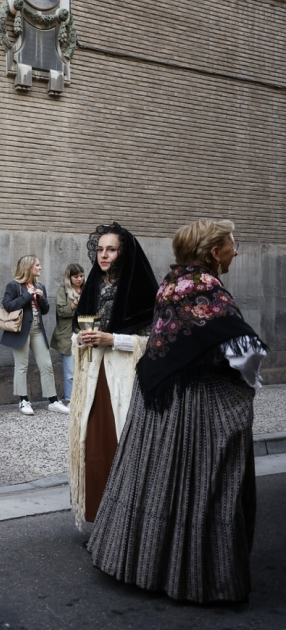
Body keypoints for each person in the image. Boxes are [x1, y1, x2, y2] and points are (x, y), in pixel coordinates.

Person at [89, 219, 264, 603]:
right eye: (233, 243)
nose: (238, 249)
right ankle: (195, 574)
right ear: (215, 252)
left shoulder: (171, 283)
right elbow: (244, 351)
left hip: (157, 396)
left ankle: (140, 561)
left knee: (153, 478)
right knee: (201, 481)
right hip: (194, 401)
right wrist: (247, 383)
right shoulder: (206, 289)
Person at [68, 222, 158, 526]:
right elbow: (78, 330)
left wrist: (113, 339)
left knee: (125, 448)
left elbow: (155, 343)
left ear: (123, 252)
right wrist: (80, 339)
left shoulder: (141, 290)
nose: (103, 255)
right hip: (94, 380)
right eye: (100, 249)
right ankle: (103, 522)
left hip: (127, 381)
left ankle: (129, 524)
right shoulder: (93, 286)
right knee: (94, 449)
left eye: (111, 249)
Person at [0, 255, 69, 416]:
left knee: (46, 365)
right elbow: (8, 305)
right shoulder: (14, 285)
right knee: (21, 365)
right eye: (37, 265)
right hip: (21, 331)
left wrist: (41, 297)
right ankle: (23, 400)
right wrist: (27, 295)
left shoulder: (41, 286)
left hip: (38, 330)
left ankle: (53, 401)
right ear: (29, 267)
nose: (40, 267)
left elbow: (44, 310)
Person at [51, 263, 84, 405]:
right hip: (67, 335)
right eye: (76, 277)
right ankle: (70, 400)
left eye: (81, 276)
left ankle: (82, 399)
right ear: (69, 277)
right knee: (70, 371)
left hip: (85, 332)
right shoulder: (63, 290)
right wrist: (74, 304)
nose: (80, 279)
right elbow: (61, 311)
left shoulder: (87, 289)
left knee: (85, 369)